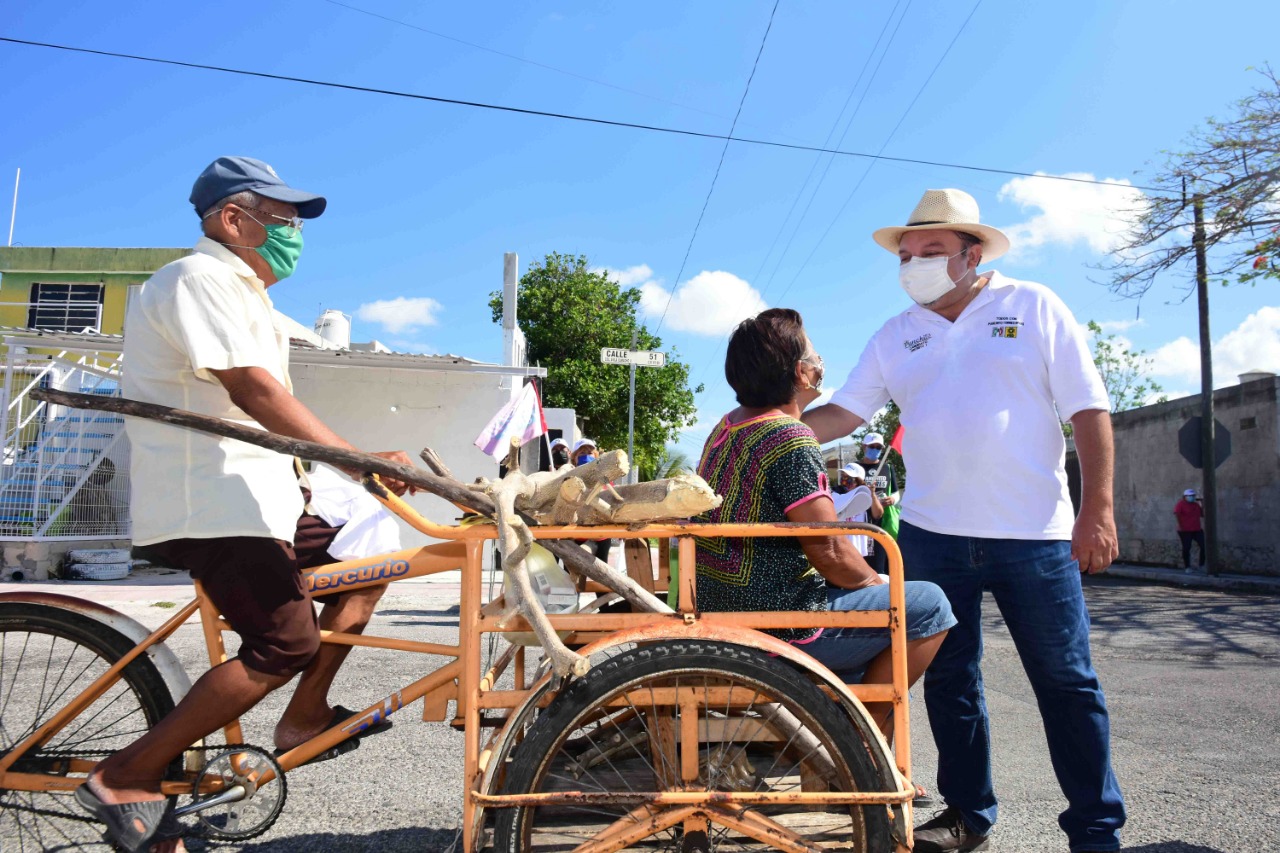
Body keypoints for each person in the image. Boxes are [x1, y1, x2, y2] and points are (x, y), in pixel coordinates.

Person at [78, 157, 418, 853]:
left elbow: (271, 405)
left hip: (261, 495)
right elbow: (254, 391)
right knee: (284, 642)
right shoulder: (195, 279)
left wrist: (362, 465)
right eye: (283, 220)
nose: (294, 234)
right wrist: (359, 458)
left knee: (382, 549)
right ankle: (126, 773)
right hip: (211, 500)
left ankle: (303, 717)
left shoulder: (243, 294)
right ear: (233, 219)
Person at [802, 189, 1126, 852]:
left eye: (931, 252)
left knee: (1067, 681)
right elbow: (845, 413)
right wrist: (766, 430)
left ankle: (1096, 829)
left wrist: (1098, 508)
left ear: (972, 254)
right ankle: (967, 813)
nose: (913, 264)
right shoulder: (896, 334)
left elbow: (1089, 409)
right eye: (907, 254)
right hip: (933, 533)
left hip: (1035, 536)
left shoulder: (1032, 306)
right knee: (951, 679)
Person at [695, 308, 954, 737]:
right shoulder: (790, 437)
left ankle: (851, 746)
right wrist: (878, 586)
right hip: (777, 622)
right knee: (928, 605)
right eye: (815, 357)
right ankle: (865, 745)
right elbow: (829, 550)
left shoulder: (727, 427)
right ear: (801, 373)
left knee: (888, 610)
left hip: (723, 610)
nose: (820, 365)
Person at [857, 432, 900, 574]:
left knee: (880, 566)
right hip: (860, 521)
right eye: (871, 446)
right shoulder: (855, 468)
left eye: (878, 447)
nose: (875, 450)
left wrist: (893, 499)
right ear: (864, 447)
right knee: (861, 564)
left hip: (883, 523)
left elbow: (896, 492)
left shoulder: (887, 468)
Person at [571, 438, 612, 563]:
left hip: (601, 536)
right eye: (582, 453)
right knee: (572, 570)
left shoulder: (605, 479)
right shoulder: (569, 479)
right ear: (574, 458)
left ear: (595, 457)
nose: (586, 456)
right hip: (577, 535)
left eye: (589, 453)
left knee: (602, 572)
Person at [832, 462, 881, 559]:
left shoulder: (865, 496)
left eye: (849, 477)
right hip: (840, 547)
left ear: (858, 480)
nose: (844, 480)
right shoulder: (834, 493)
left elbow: (877, 515)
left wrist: (872, 494)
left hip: (861, 549)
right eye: (843, 476)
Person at [1175, 488, 1206, 571]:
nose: (1191, 497)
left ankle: (1202, 565)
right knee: (1186, 548)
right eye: (1189, 496)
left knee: (1204, 546)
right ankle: (1187, 567)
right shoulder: (1180, 504)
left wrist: (1201, 503)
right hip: (1185, 530)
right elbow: (1177, 514)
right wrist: (1181, 526)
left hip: (1196, 529)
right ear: (1185, 497)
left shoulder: (1196, 505)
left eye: (1193, 496)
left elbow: (1202, 515)